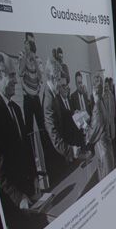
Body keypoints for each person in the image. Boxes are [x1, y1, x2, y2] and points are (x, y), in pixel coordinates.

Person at [0, 52, 47, 229]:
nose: (16, 82)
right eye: (12, 75)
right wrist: (19, 198)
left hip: (31, 196)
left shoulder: (17, 109)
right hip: (16, 205)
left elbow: (26, 150)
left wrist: (36, 178)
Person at [42, 59, 84, 188]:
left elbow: (61, 113)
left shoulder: (52, 94)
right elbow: (53, 134)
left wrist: (72, 113)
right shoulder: (48, 99)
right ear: (55, 78)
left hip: (60, 154)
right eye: (60, 81)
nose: (61, 85)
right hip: (56, 160)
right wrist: (70, 150)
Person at [86, 77, 115, 179]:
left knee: (105, 177)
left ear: (94, 91)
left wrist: (85, 126)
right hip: (107, 148)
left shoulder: (97, 107)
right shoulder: (102, 103)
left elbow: (93, 134)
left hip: (102, 149)